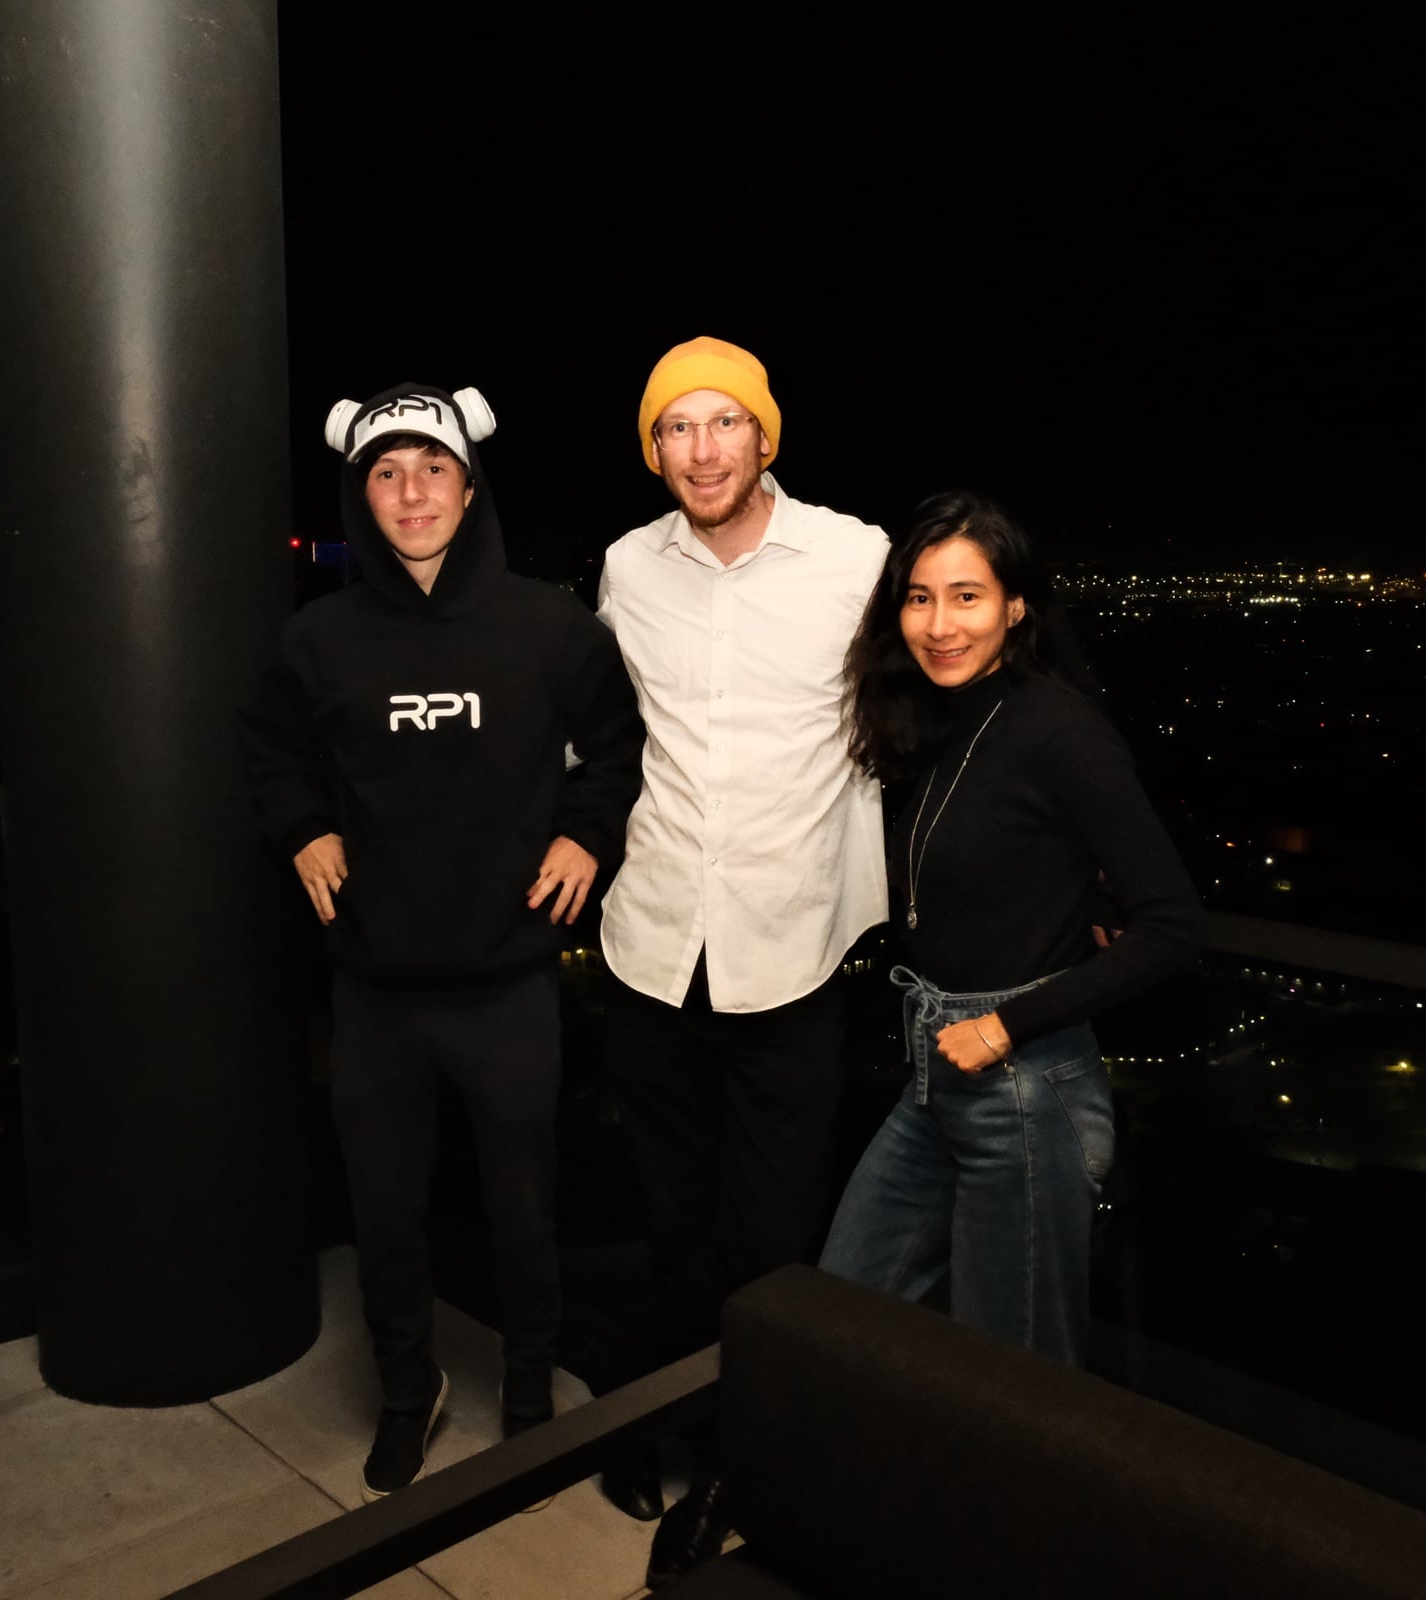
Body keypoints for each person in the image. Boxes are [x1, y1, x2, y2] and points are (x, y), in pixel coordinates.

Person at [239, 382, 644, 1499]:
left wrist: (585, 836)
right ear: (360, 494)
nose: (410, 492)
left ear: (470, 487)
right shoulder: (316, 638)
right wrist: (305, 826)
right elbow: (270, 752)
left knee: (525, 1213)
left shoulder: (550, 626)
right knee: (387, 1219)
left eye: (431, 469)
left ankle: (525, 1395)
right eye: (385, 473)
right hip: (375, 992)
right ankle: (410, 1398)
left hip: (509, 982)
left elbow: (617, 750)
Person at [592, 337, 888, 1580]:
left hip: (796, 950)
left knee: (773, 1234)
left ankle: (748, 1454)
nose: (701, 450)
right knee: (668, 1217)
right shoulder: (624, 566)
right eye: (676, 429)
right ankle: (660, 1415)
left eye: (725, 425)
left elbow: (946, 701)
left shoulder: (856, 557)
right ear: (654, 449)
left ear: (767, 436)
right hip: (652, 944)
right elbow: (598, 733)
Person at [819, 489, 1202, 1367]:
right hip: (934, 1068)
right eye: (920, 598)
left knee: (1013, 1372)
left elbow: (1174, 925)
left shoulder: (1059, 727)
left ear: (1016, 605)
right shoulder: (931, 718)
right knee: (840, 1304)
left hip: (1026, 1084)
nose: (940, 624)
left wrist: (1006, 1025)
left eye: (968, 596)